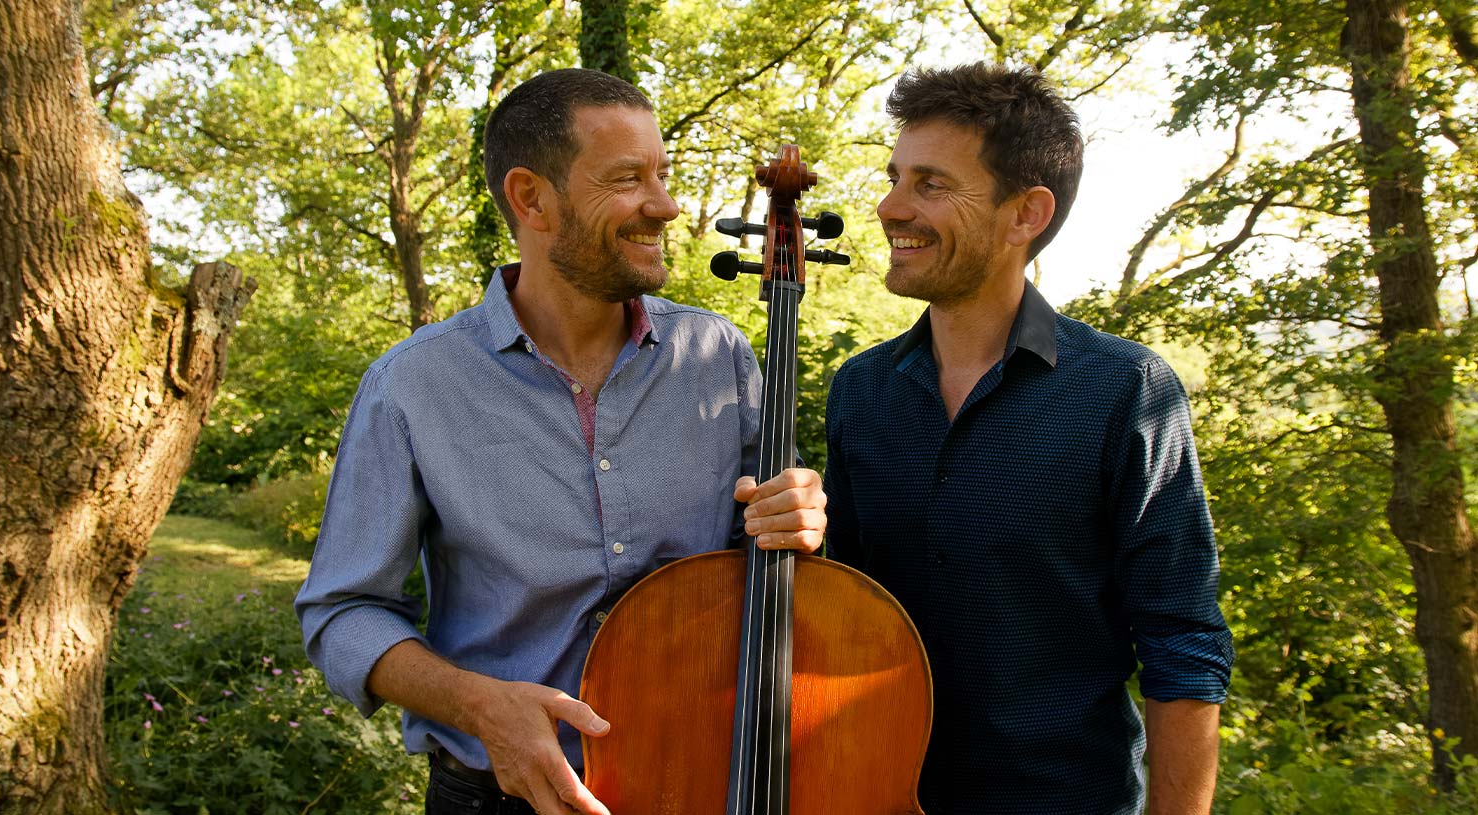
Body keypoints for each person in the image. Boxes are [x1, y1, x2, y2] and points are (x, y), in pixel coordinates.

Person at [295, 68, 827, 815]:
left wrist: (797, 519)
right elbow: (341, 611)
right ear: (531, 198)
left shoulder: (720, 355)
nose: (666, 206)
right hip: (493, 795)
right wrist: (479, 705)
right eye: (627, 178)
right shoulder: (413, 384)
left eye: (663, 174)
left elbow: (770, 562)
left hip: (704, 778)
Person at [823, 63, 1235, 815]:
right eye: (894, 177)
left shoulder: (1126, 390)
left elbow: (1184, 645)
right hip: (873, 792)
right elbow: (839, 612)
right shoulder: (862, 390)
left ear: (1026, 213)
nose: (889, 207)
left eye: (931, 184)